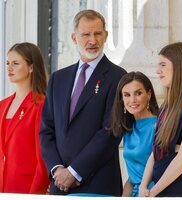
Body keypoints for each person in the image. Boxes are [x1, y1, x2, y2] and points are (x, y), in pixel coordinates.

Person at [39, 9, 127, 196]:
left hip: (98, 185)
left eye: (97, 34)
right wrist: (57, 170)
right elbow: (46, 131)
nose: (92, 41)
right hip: (60, 185)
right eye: (86, 34)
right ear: (74, 37)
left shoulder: (118, 77)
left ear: (106, 35)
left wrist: (74, 172)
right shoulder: (58, 79)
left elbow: (111, 131)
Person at [140, 42, 182, 197]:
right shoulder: (167, 106)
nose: (157, 71)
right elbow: (155, 152)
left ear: (179, 66)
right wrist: (143, 187)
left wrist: (153, 192)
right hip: (160, 191)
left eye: (163, 64)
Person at [0, 42, 50, 193]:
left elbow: (43, 158)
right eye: (8, 63)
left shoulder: (41, 105)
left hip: (26, 188)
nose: (9, 68)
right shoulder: (2, 105)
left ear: (31, 67)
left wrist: (35, 194)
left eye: (15, 63)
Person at [110, 71, 159, 197]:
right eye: (126, 95)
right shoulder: (129, 129)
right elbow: (132, 179)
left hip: (153, 193)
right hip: (134, 194)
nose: (132, 100)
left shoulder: (158, 126)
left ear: (149, 94)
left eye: (138, 93)